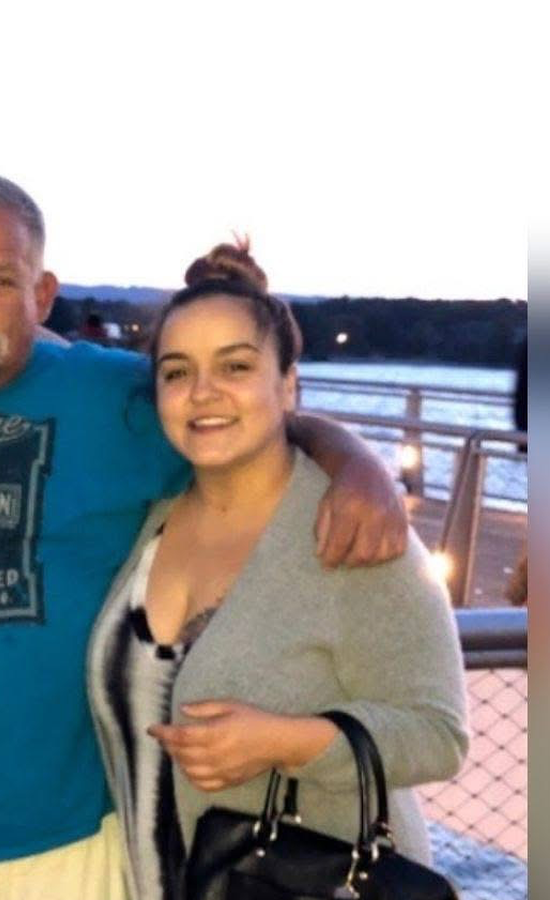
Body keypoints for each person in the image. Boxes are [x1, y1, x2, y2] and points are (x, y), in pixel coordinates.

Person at [0, 172, 409, 900]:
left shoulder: (115, 397)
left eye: (2, 281)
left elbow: (248, 423)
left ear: (43, 293)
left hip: (56, 849)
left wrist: (357, 464)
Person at [87, 240, 469, 900]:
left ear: (288, 384)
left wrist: (290, 743)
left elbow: (440, 735)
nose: (202, 392)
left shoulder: (352, 532)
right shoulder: (150, 517)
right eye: (177, 372)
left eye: (235, 366)